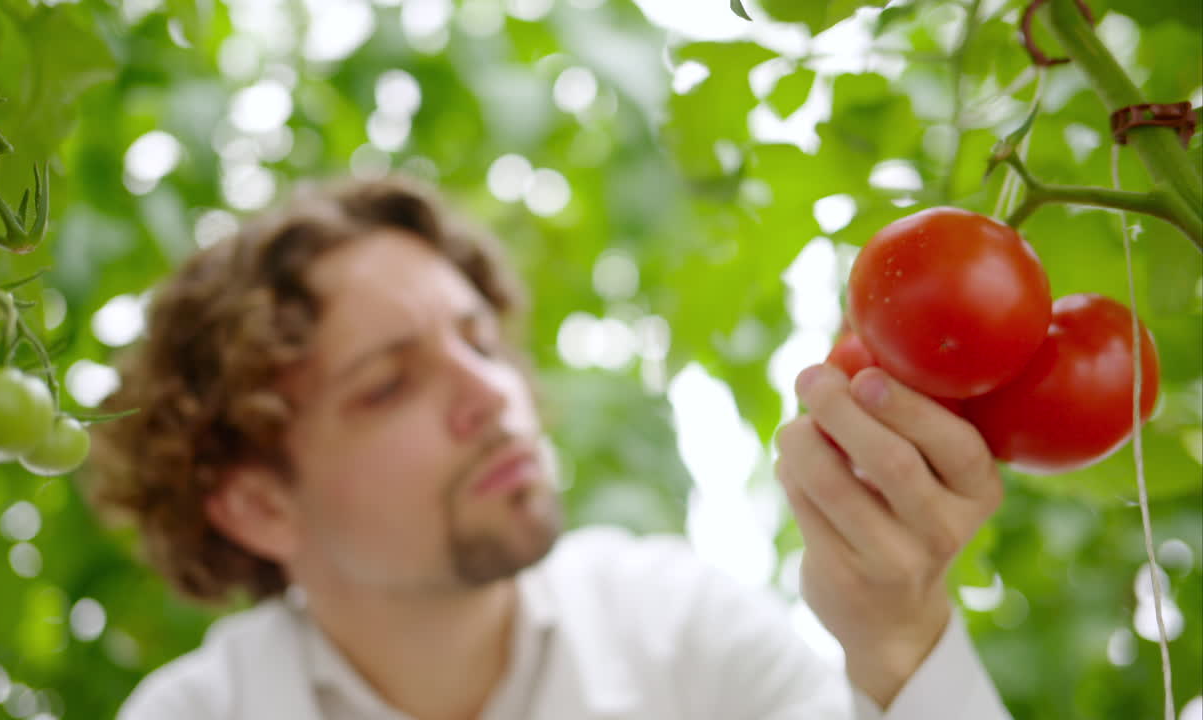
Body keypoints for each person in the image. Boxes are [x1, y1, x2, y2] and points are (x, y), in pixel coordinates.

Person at [87, 175, 1012, 720]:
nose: (492, 393)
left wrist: (899, 644)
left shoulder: (682, 634)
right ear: (258, 504)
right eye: (387, 385)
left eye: (480, 341)